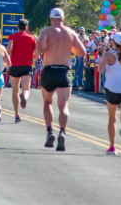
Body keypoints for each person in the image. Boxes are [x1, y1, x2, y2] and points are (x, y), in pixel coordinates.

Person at [35, 8, 87, 152]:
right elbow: (82, 52)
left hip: (49, 70)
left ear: (51, 18)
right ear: (63, 19)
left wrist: (46, 49)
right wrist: (68, 48)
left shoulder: (46, 31)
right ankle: (62, 132)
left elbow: (40, 48)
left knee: (47, 103)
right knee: (63, 106)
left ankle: (50, 130)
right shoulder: (70, 33)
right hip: (64, 70)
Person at [98, 32, 121, 155]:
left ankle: (112, 147)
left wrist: (102, 63)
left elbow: (100, 70)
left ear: (113, 42)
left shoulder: (109, 54)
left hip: (112, 88)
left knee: (112, 118)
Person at [7, 19, 37, 123]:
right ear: (27, 28)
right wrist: (31, 56)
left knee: (15, 90)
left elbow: (9, 49)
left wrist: (7, 56)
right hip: (27, 65)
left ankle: (17, 115)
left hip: (14, 65)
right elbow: (37, 55)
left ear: (17, 27)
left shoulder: (12, 37)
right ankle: (24, 96)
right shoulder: (32, 38)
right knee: (26, 89)